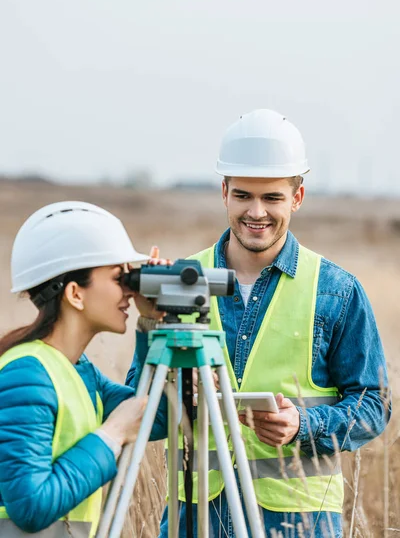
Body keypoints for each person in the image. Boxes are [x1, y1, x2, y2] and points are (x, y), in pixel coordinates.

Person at [128, 109, 391, 538]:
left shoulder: (336, 291)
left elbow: (374, 405)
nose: (256, 212)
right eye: (243, 195)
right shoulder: (180, 279)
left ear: (297, 197)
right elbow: (143, 403)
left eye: (272, 198)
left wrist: (304, 426)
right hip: (198, 516)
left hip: (297, 521)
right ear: (224, 192)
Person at [0, 201, 154, 537]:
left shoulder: (80, 372)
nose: (130, 290)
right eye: (119, 277)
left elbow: (151, 416)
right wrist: (112, 434)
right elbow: (30, 507)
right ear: (75, 294)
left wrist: (154, 325)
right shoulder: (25, 375)